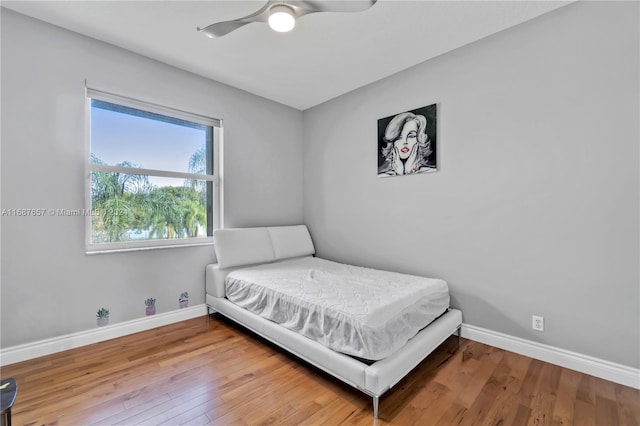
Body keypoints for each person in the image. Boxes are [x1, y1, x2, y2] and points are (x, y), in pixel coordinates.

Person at [377, 112, 434, 176]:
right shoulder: (383, 175)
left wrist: (409, 172)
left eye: (411, 136)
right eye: (399, 137)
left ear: (419, 139)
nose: (405, 142)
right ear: (392, 142)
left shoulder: (430, 172)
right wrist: (400, 174)